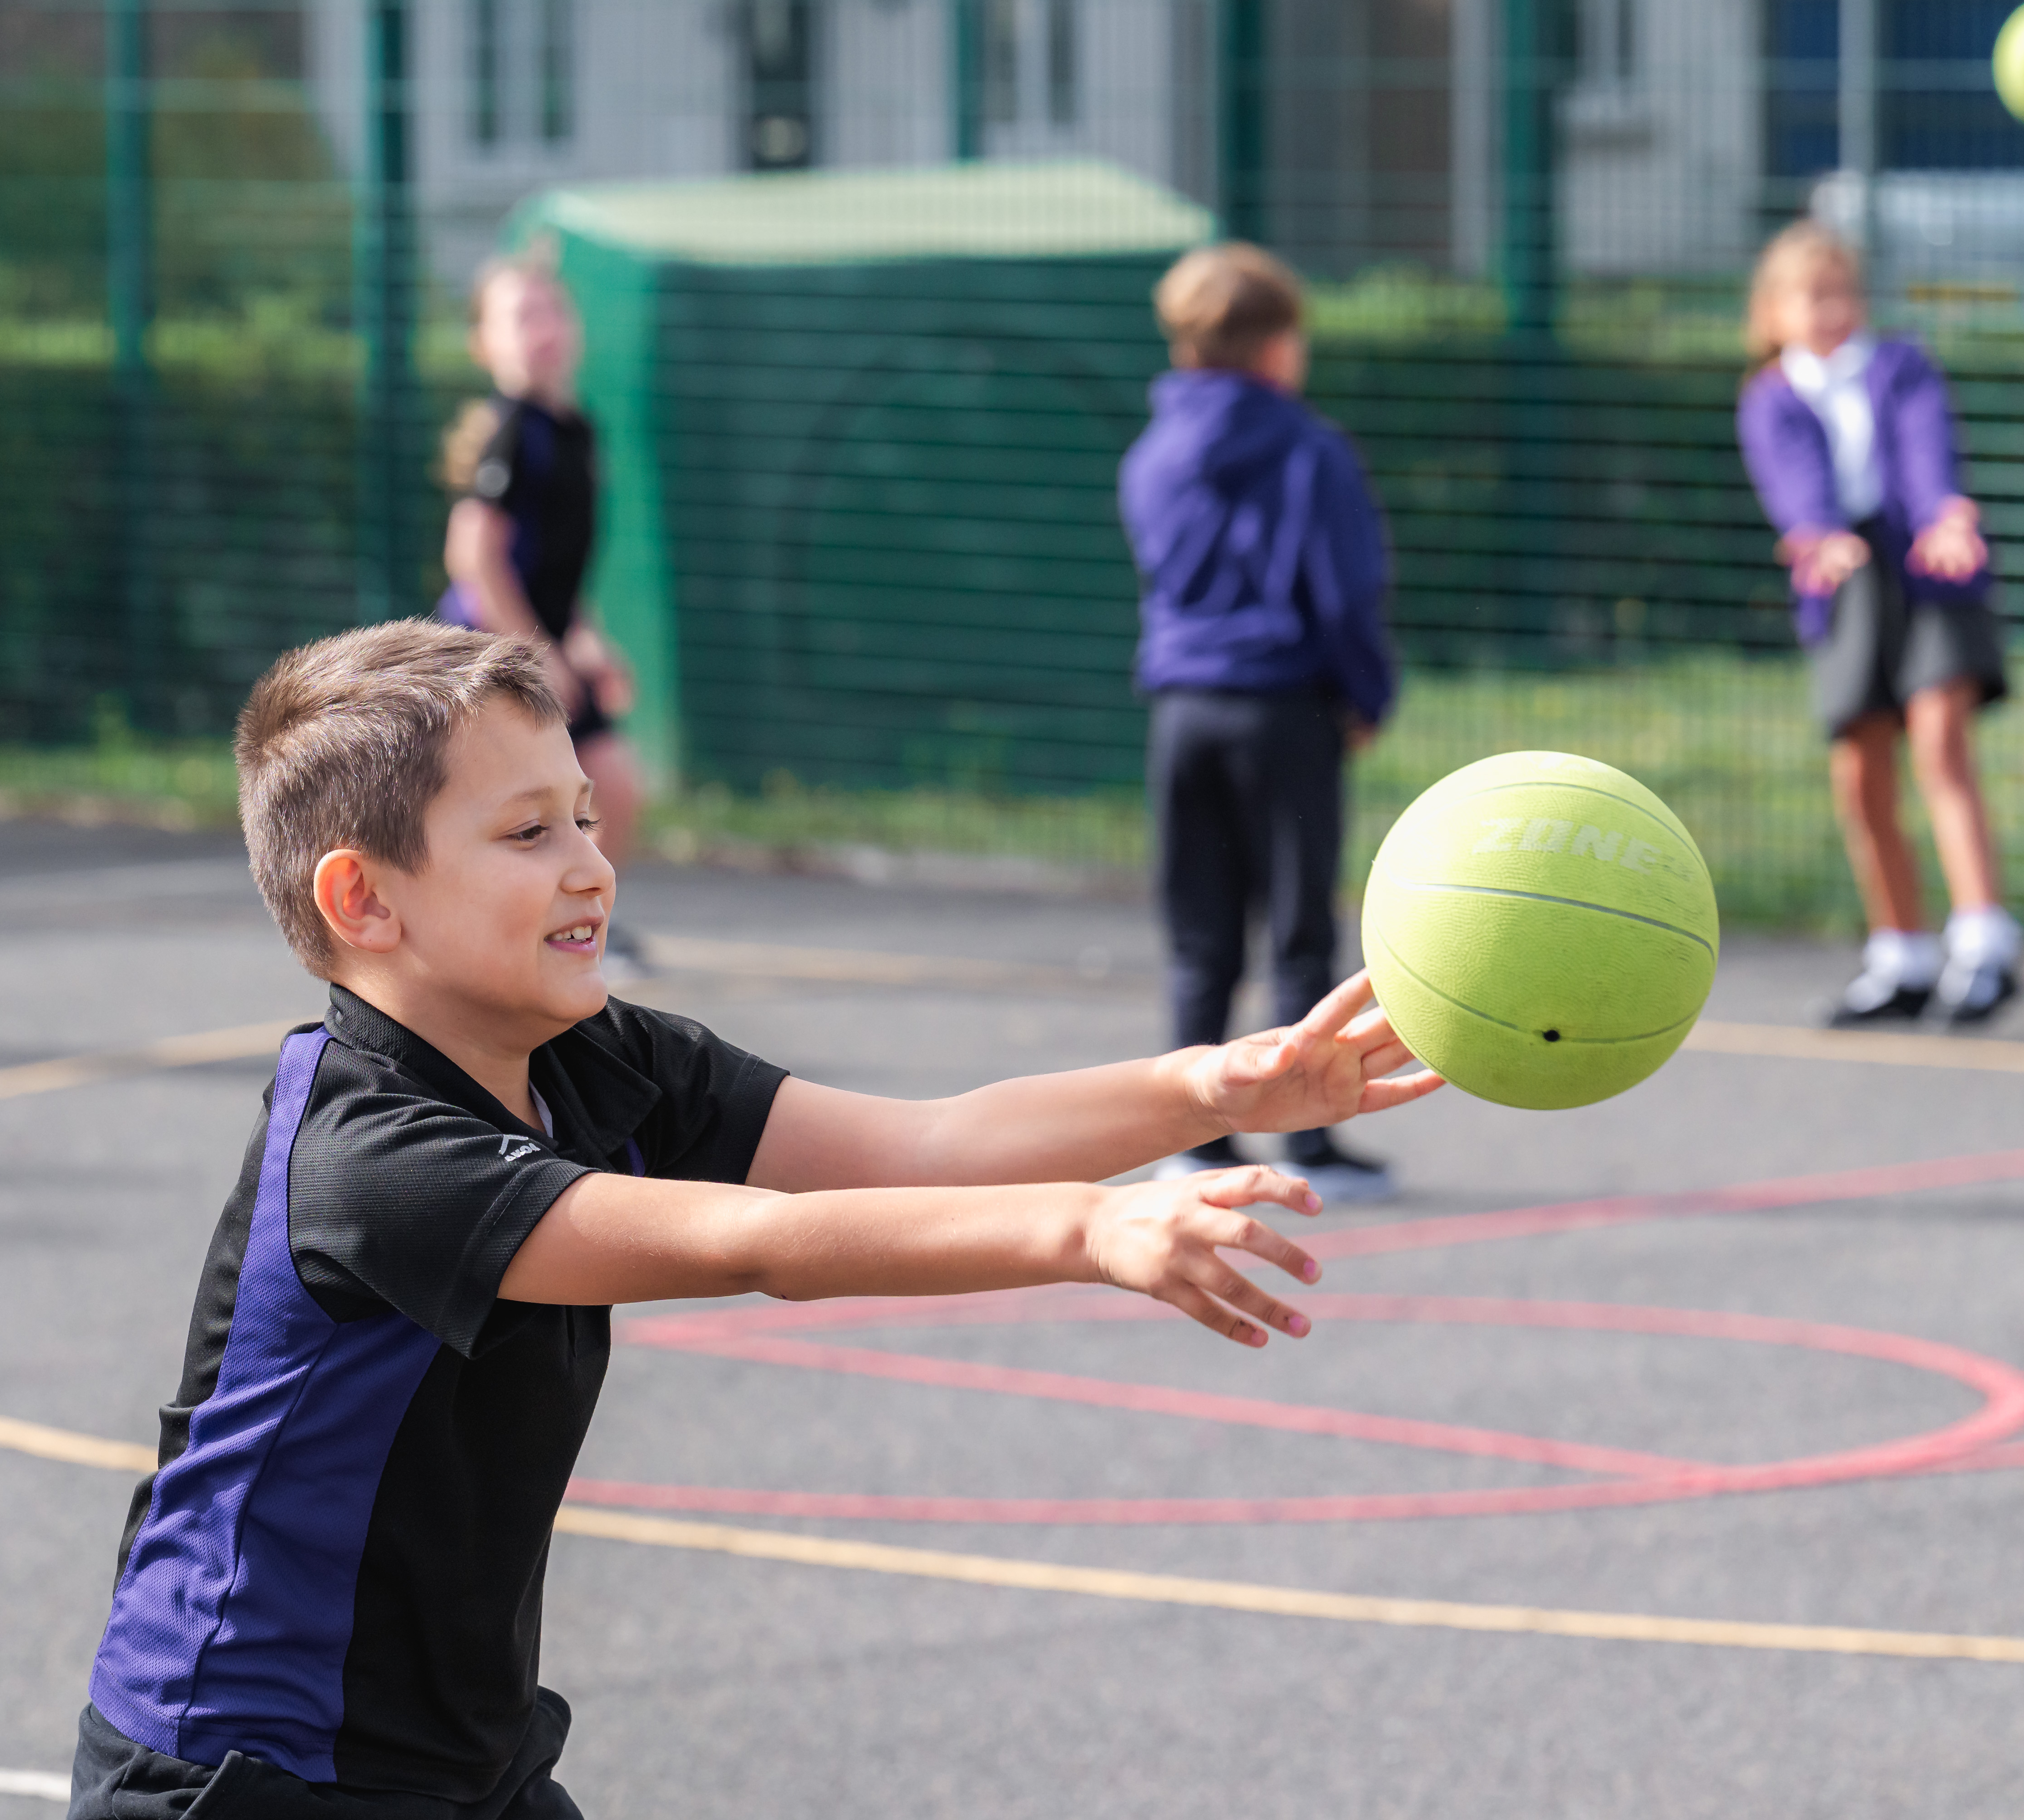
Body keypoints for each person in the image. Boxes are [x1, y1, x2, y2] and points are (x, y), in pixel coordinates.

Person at [69, 620, 1439, 1819]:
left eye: (587, 818)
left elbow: (921, 1144)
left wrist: (1213, 1084)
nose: (591, 865)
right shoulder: (375, 1161)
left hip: (445, 1757)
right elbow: (760, 1243)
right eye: (527, 833)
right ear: (364, 900)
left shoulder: (595, 1056)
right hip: (244, 1772)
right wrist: (1090, 1228)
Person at [1117, 242, 1401, 1202]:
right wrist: (1367, 695)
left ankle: (1193, 1139)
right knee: (1298, 924)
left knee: (1201, 929)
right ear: (1279, 345)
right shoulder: (1309, 447)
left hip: (1183, 707)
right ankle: (1309, 1138)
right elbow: (1344, 589)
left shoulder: (1152, 452)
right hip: (1282, 705)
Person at [1737, 221, 2019, 1027]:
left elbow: (1926, 449)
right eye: (1810, 296)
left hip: (1930, 572)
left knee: (1940, 745)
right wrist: (1818, 535)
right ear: (1773, 313)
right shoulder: (1770, 397)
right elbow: (1791, 483)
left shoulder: (1901, 367)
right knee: (1862, 778)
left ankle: (1984, 944)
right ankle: (1902, 956)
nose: (1830, 309)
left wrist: (1944, 516)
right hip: (1847, 587)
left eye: (1842, 292)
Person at [436, 256, 646, 969]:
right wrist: (538, 654)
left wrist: (585, 643)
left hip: (540, 647)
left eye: (550, 311)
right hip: (486, 653)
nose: (541, 329)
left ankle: (565, 935)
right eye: (519, 317)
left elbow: (556, 568)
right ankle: (520, 942)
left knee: (609, 788)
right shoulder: (509, 433)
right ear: (485, 345)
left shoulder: (577, 432)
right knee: (533, 806)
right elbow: (474, 557)